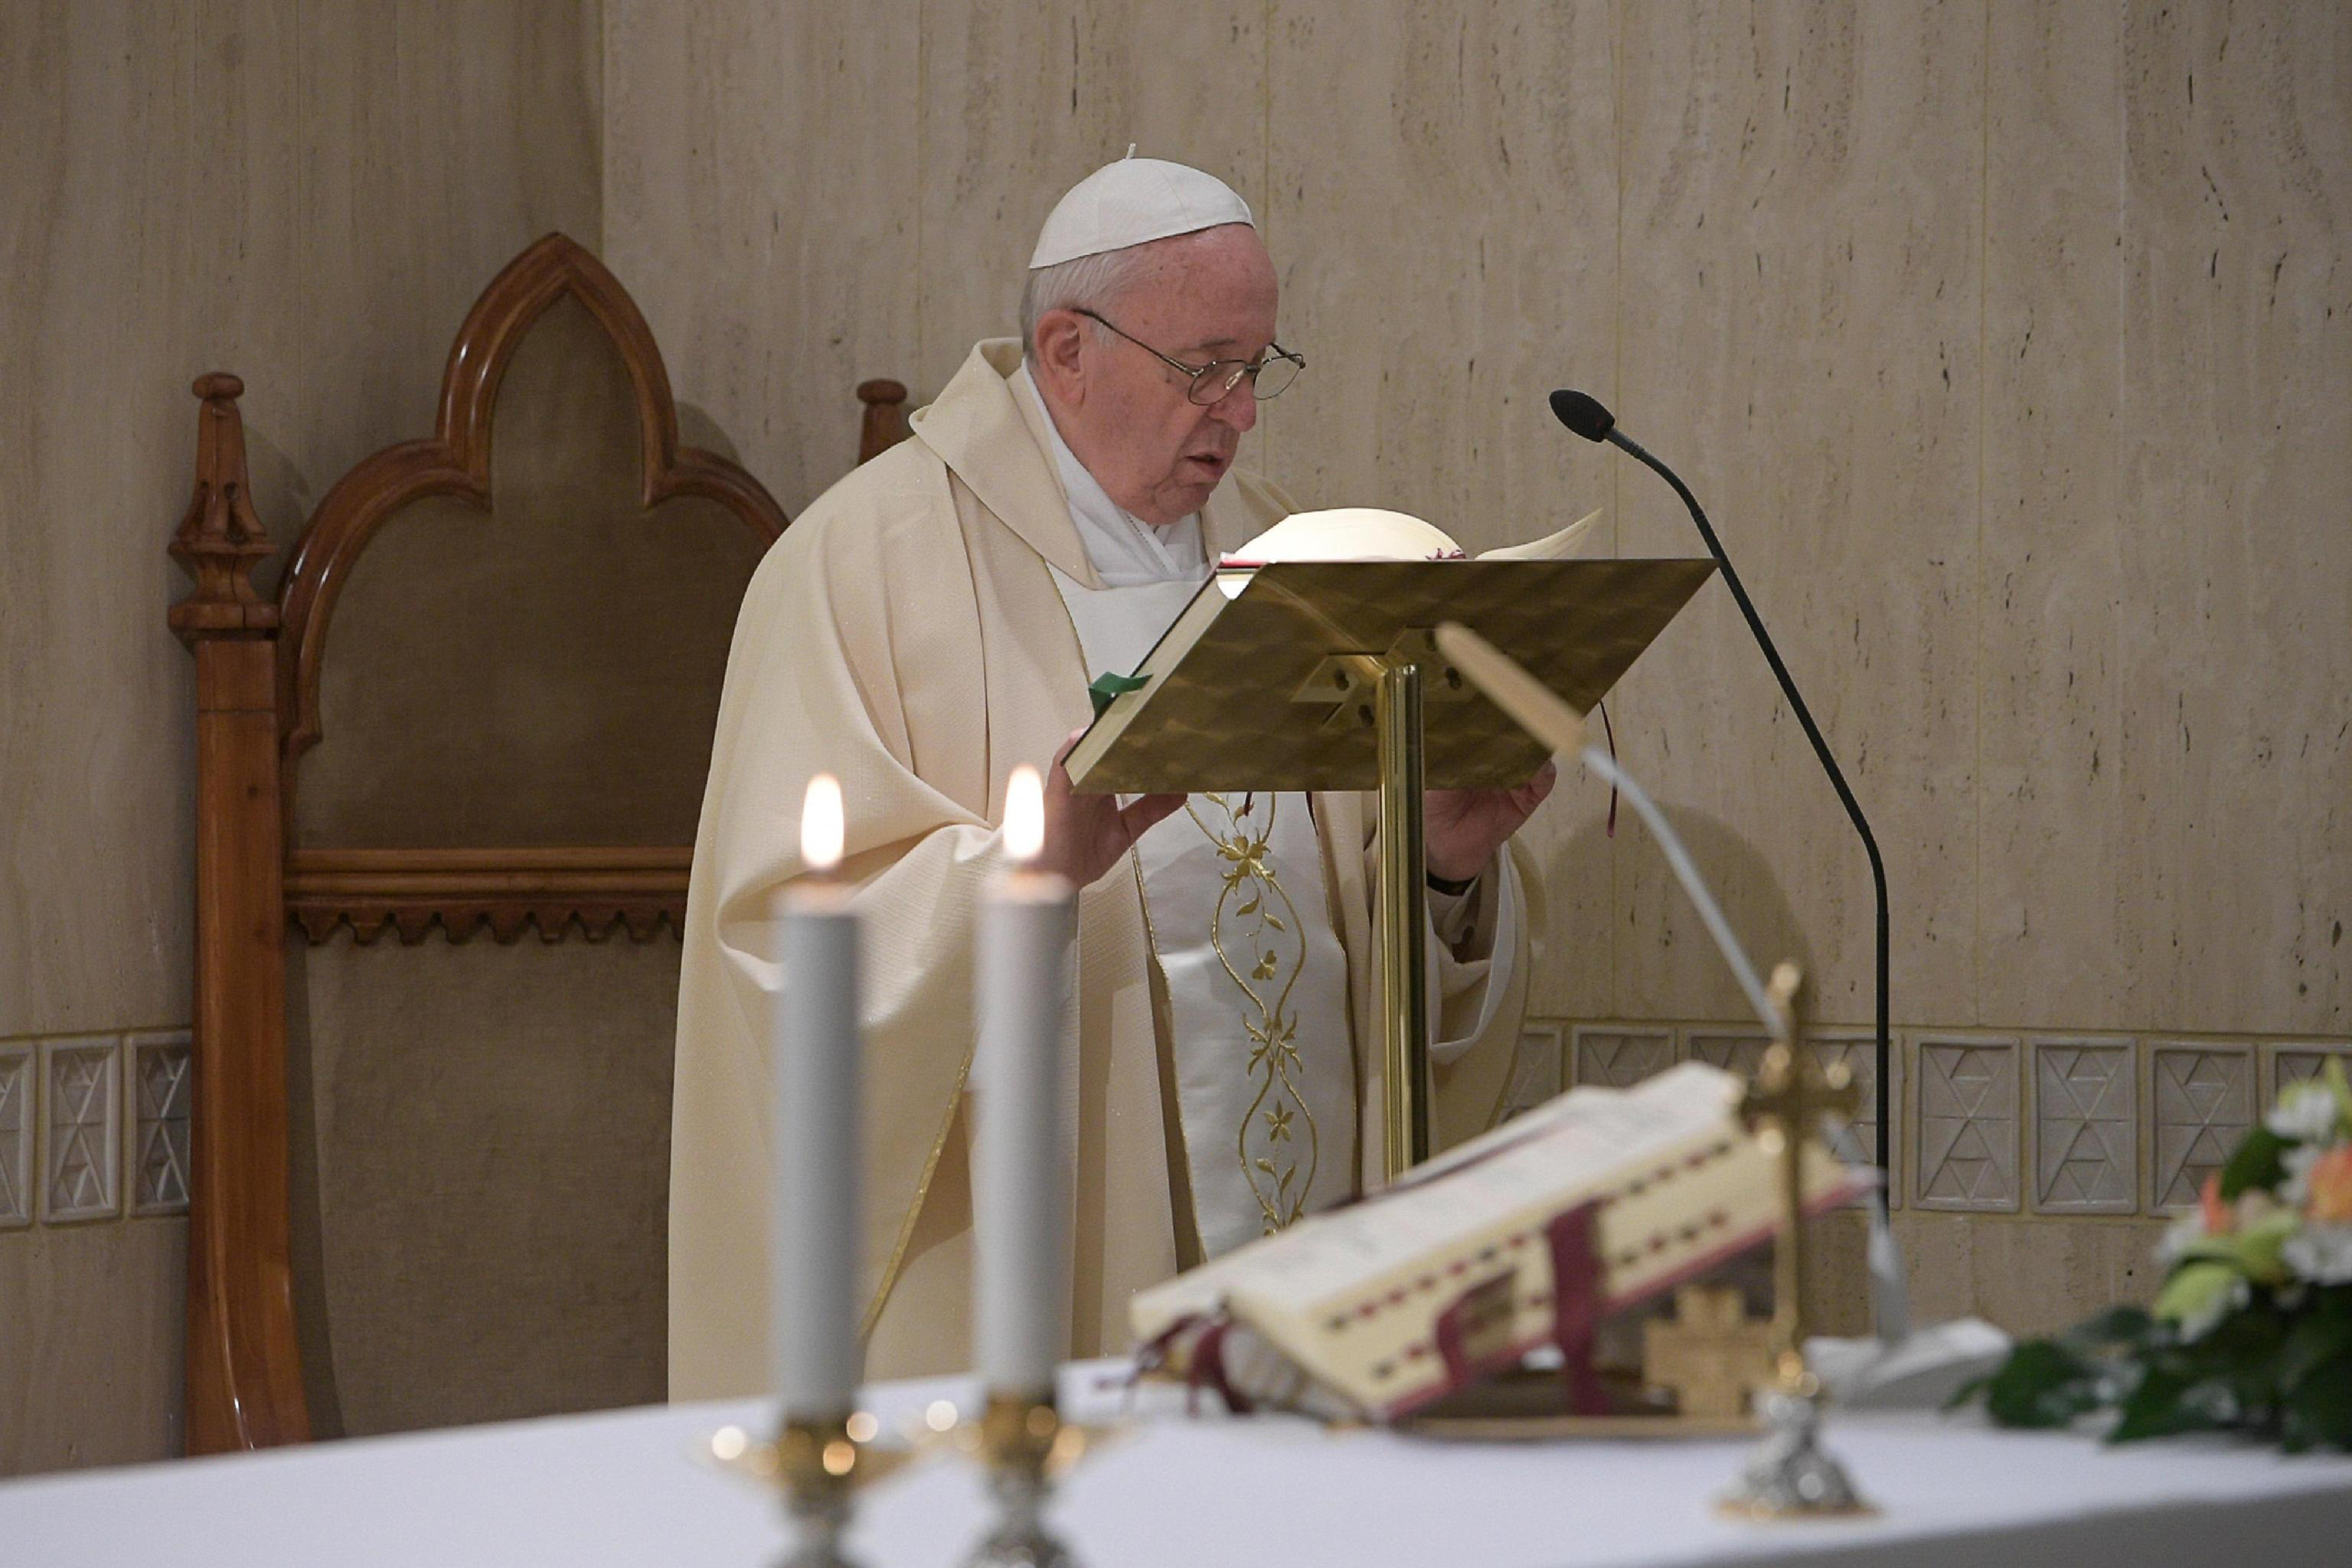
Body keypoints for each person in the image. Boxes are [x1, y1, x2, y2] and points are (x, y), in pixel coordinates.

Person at [669, 155, 1553, 1396]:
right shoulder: (860, 565)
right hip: (1030, 1308)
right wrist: (1018, 880)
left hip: (1299, 1309)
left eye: (1261, 367)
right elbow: (767, 953)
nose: (1241, 412)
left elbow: (1342, 944)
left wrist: (1439, 864)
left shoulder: (1287, 556)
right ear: (1066, 349)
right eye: (1207, 367)